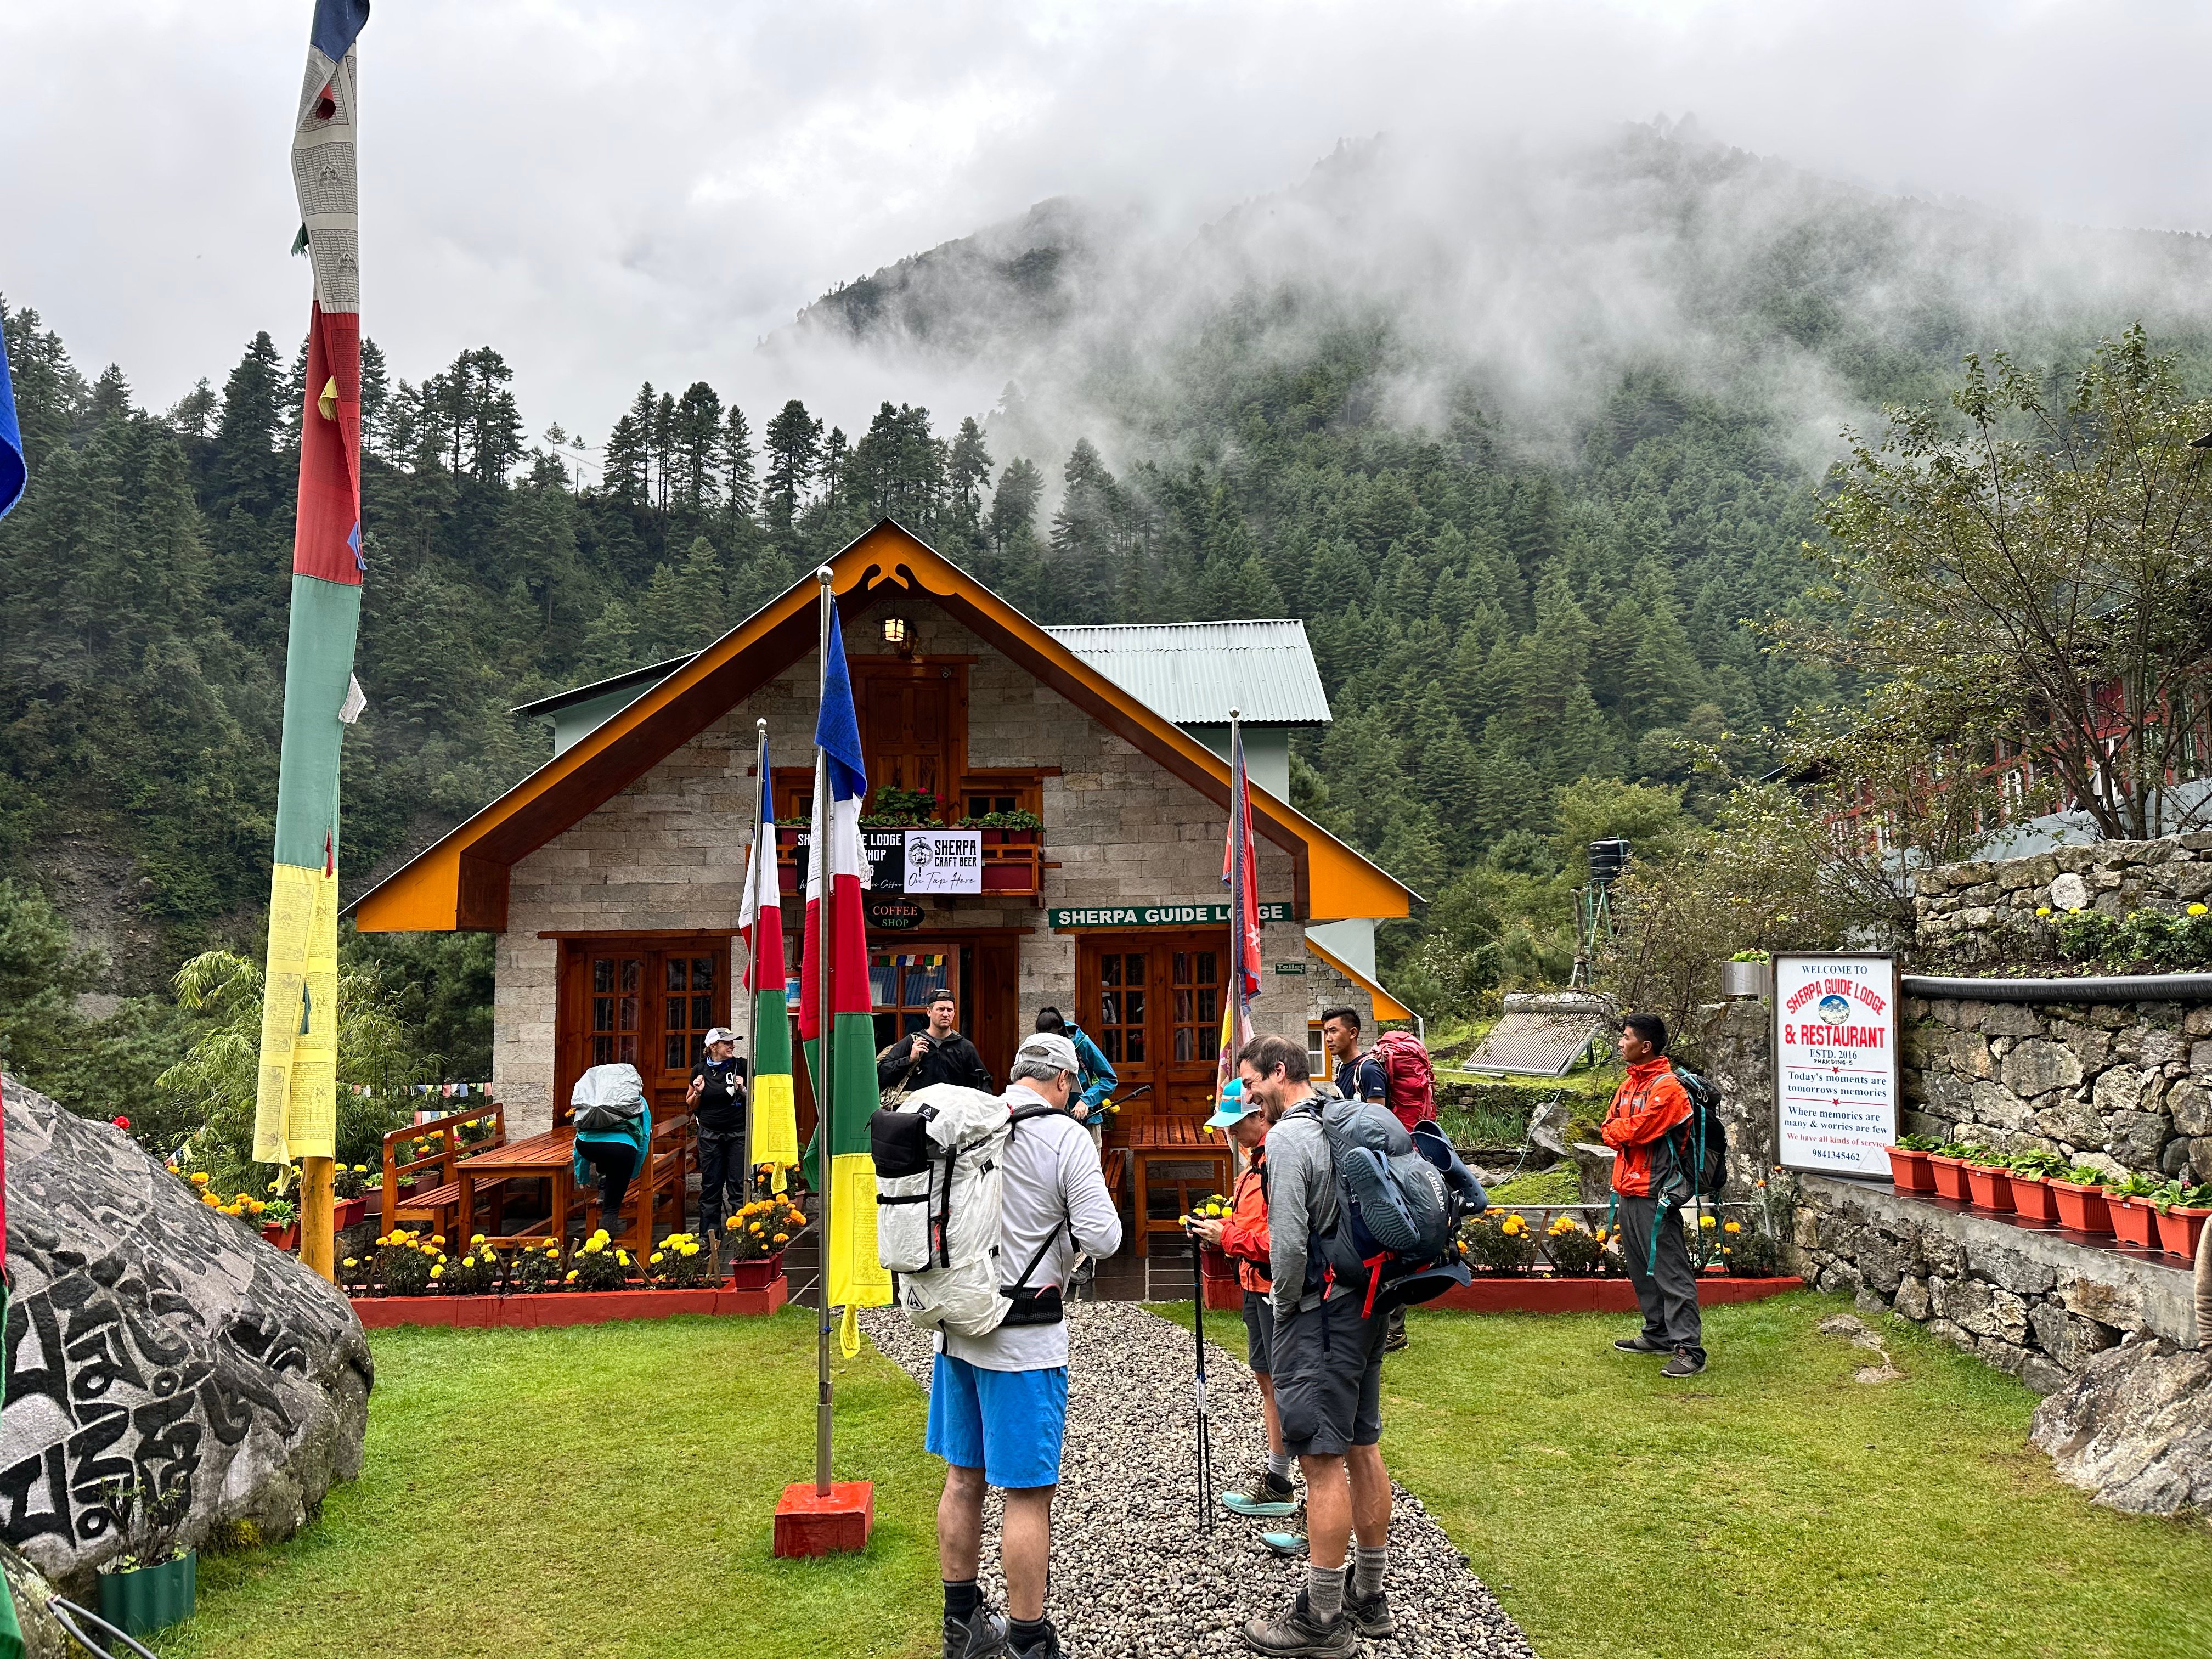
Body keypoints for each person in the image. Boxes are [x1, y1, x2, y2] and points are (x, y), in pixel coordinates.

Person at [933, 1032, 1122, 1659]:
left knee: (964, 1478)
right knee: (1027, 1494)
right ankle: (1028, 1639)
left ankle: (960, 1625)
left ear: (1014, 1074)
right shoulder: (1066, 1135)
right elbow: (1105, 1236)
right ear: (1065, 1082)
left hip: (959, 1327)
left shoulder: (972, 1124)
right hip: (1025, 1339)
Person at [1238, 1033, 1394, 1656]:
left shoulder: (1289, 1139)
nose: (1248, 1097)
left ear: (1280, 1072)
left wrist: (1282, 1308)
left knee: (1321, 1462)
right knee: (1363, 1444)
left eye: (1251, 1084)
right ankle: (1369, 1596)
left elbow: (1290, 1245)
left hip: (1319, 1313)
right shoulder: (1348, 1116)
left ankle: (1321, 1623)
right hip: (1369, 1303)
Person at [1187, 1078, 1298, 1523]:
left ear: (1259, 1115)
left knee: (1290, 1390)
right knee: (1268, 1382)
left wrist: (1227, 1235)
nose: (1229, 1133)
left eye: (1236, 1124)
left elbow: (1283, 1241)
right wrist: (1218, 1225)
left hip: (1276, 1290)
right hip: (1255, 1288)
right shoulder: (1255, 1165)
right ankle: (1278, 1480)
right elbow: (1252, 1222)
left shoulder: (1280, 1162)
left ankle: (1297, 1487)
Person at [1604, 1012, 1706, 1378]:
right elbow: (1609, 1127)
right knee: (1640, 1271)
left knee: (1670, 1272)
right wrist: (1621, 1131)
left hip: (1656, 1194)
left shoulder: (1668, 1089)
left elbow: (1639, 1130)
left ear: (1645, 1046)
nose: (1620, 1043)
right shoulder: (1630, 1085)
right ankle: (1658, 1333)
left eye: (1626, 1037)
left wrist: (1621, 1131)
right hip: (1628, 1190)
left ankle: (1689, 1350)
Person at [1319, 1007, 1407, 1356]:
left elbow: (1377, 1123)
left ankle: (1395, 1328)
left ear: (1353, 1033)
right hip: (1354, 1170)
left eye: (1334, 1031)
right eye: (1325, 1032)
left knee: (1384, 1244)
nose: (1328, 1038)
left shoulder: (1368, 1069)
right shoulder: (1344, 1070)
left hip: (1376, 1172)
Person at [685, 1025, 747, 1236]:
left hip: (738, 1134)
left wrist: (744, 1090)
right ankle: (709, 1236)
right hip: (710, 1135)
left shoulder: (742, 1066)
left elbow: (759, 1098)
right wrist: (699, 1093)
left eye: (733, 1042)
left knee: (737, 1186)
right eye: (726, 1043)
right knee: (711, 1186)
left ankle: (741, 1235)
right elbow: (691, 1104)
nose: (732, 1045)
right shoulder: (699, 1070)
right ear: (713, 1046)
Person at [572, 1084, 651, 1239]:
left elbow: (579, 1135)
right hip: (622, 1149)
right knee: (611, 1208)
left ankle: (604, 1182)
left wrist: (582, 1177)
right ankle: (606, 1253)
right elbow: (645, 1137)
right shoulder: (637, 1099)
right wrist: (632, 1171)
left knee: (604, 1155)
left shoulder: (591, 1099)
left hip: (588, 1147)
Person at [881, 989, 994, 1097]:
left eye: (949, 1010)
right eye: (941, 1009)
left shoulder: (965, 1047)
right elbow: (882, 1074)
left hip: (952, 1112)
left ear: (954, 1012)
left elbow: (983, 1085)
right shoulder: (914, 1042)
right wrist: (909, 1060)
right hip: (917, 1113)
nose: (946, 1014)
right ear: (929, 1012)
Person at [1034, 1006, 1116, 1126]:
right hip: (1053, 1124)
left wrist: (1086, 1101)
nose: (1048, 1045)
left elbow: (1110, 1079)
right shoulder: (1036, 1045)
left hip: (1086, 1122)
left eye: (1052, 1040)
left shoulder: (1082, 1043)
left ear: (1060, 1032)